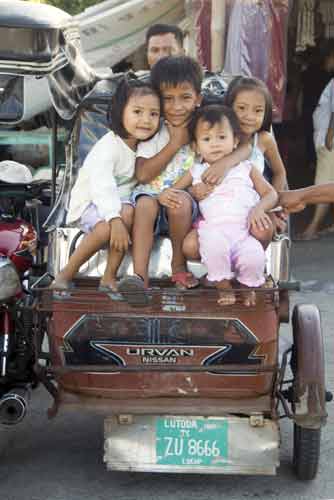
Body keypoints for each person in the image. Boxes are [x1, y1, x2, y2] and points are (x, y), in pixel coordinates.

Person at [119, 56, 250, 297]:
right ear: (157, 99)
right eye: (168, 99)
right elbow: (143, 173)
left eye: (185, 98)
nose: (176, 106)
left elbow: (245, 146)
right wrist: (175, 143)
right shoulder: (152, 128)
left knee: (179, 201)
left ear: (198, 99)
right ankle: (139, 277)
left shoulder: (205, 125)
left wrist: (223, 163)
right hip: (152, 193)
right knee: (145, 203)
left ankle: (178, 267)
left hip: (187, 197)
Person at [51, 76, 160, 291]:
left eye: (153, 114)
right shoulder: (109, 147)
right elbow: (102, 186)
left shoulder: (143, 147)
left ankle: (109, 277)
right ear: (121, 112)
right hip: (92, 202)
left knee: (126, 214)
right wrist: (114, 218)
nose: (146, 120)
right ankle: (65, 274)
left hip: (119, 204)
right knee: (108, 228)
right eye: (137, 112)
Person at [171, 104, 278, 306]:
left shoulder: (246, 168)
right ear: (196, 146)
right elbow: (174, 192)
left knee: (253, 258)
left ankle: (247, 288)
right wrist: (192, 192)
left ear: (235, 140)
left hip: (244, 229)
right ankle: (224, 287)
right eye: (207, 139)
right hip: (213, 229)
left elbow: (270, 193)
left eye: (222, 137)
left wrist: (259, 208)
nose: (215, 144)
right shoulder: (196, 171)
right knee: (214, 249)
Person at [183, 75, 287, 260]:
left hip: (254, 207)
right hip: (217, 211)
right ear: (229, 107)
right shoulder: (213, 138)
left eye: (258, 110)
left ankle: (255, 271)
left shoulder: (263, 139)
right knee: (193, 245)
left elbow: (279, 172)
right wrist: (193, 191)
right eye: (241, 108)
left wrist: (274, 207)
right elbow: (195, 175)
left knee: (266, 227)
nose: (249, 116)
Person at [294, 77, 334, 240]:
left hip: (330, 141)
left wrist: (330, 134)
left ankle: (312, 228)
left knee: (323, 184)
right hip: (326, 138)